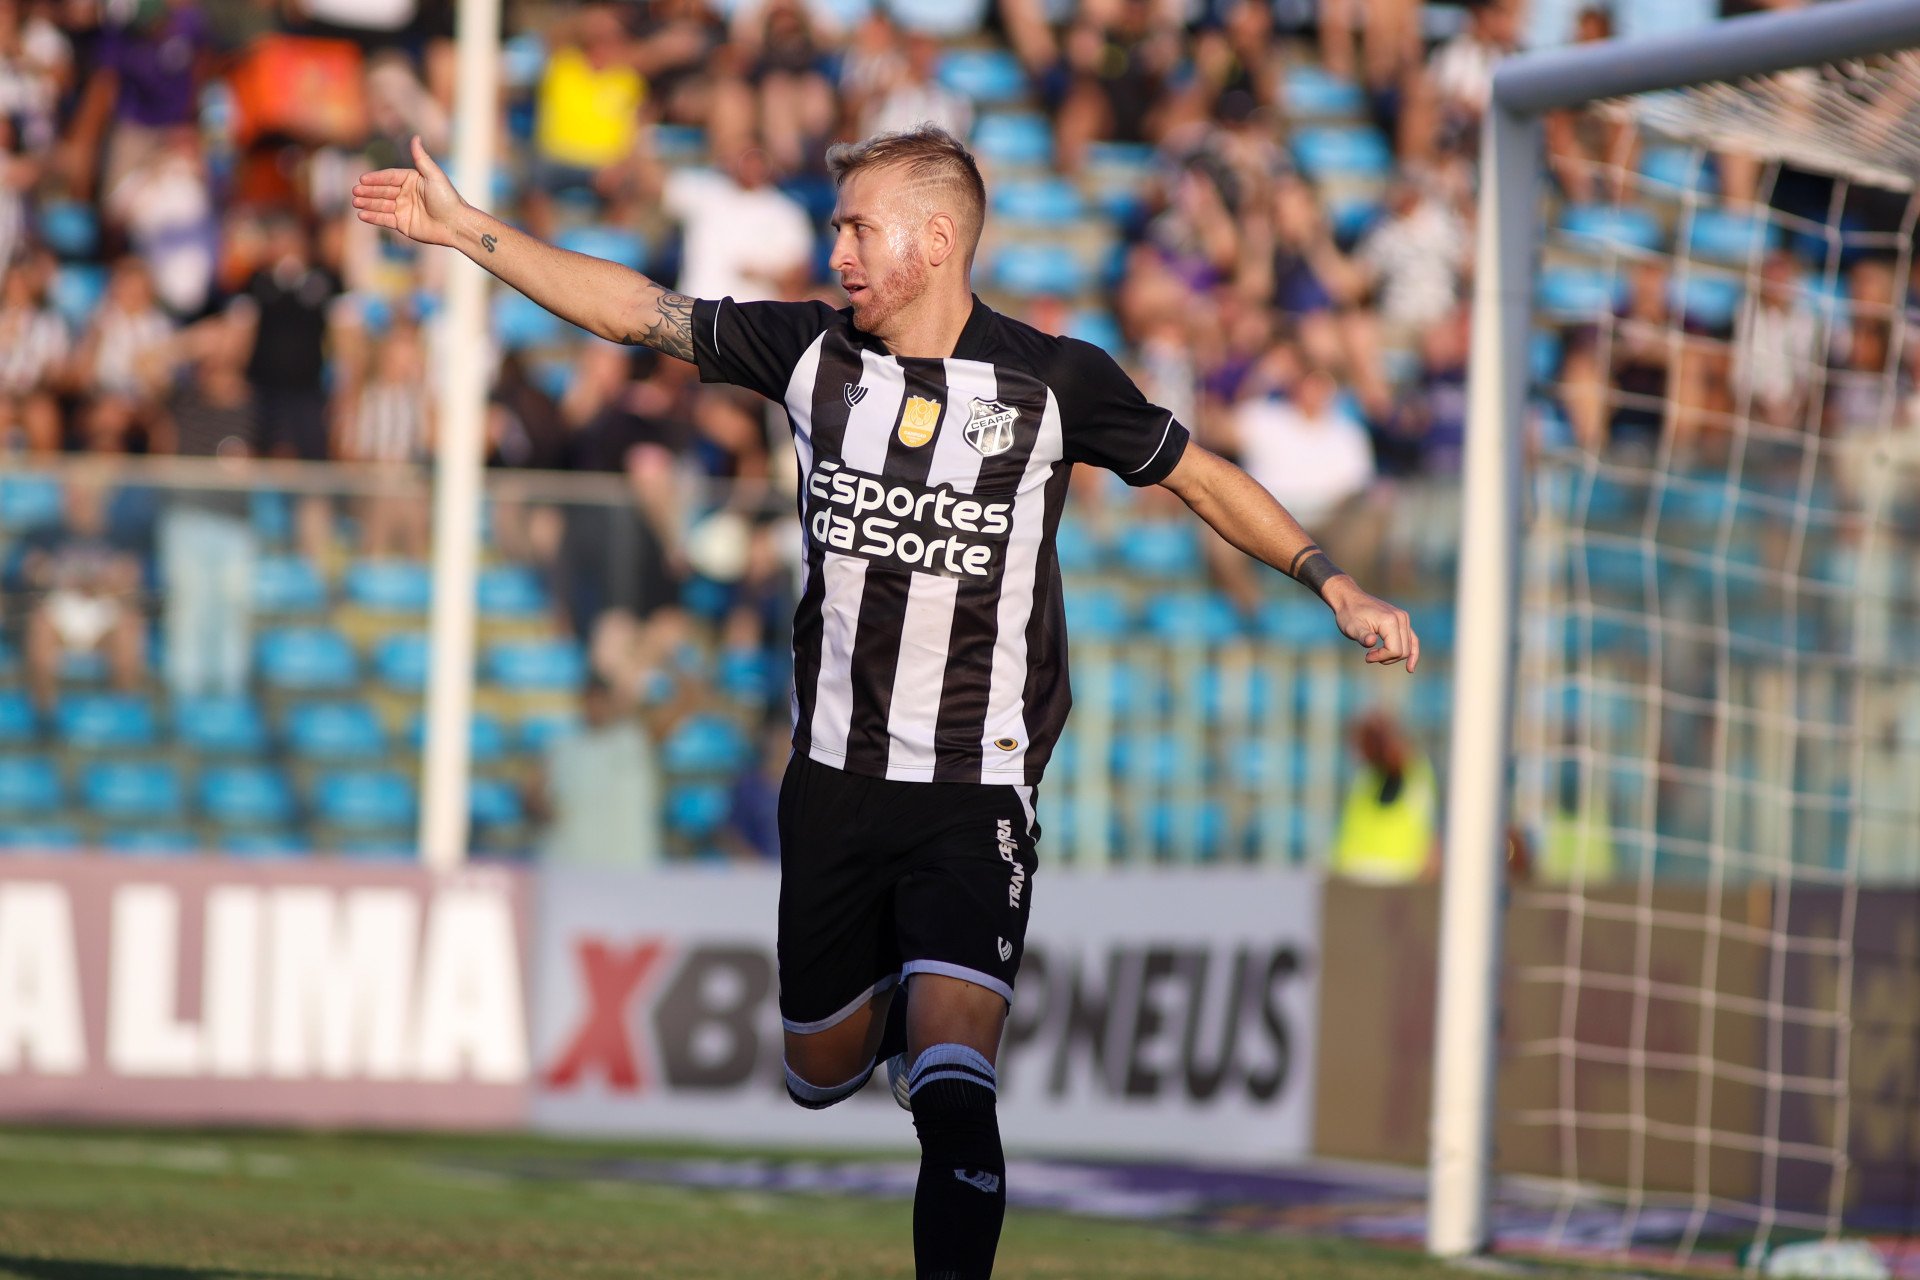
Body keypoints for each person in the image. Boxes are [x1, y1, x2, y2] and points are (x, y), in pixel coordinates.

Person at [355, 123, 1419, 1280]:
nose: (841, 250)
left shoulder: (1055, 381)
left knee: (958, 1074)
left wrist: (1334, 579)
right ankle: (900, 1007)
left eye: (859, 227)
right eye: (838, 228)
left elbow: (1203, 475)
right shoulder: (811, 354)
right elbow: (634, 311)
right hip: (832, 783)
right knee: (818, 1067)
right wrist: (465, 231)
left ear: (936, 239)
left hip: (976, 790)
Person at [1330, 708, 1437, 884]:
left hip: (1398, 888)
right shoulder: (1363, 780)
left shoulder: (1416, 776)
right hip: (1353, 884)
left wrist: (1384, 739)